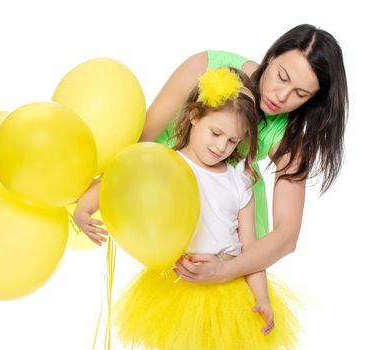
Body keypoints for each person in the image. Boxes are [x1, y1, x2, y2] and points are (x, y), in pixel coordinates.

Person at [75, 24, 348, 285]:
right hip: (161, 194)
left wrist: (225, 270)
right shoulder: (206, 68)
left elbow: (287, 235)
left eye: (300, 93)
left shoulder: (288, 137)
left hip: (219, 214)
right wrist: (91, 199)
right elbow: (137, 145)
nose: (282, 96)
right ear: (272, 56)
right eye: (282, 77)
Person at [112, 67, 300, 349]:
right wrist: (86, 208)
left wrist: (261, 298)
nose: (222, 146)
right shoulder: (167, 164)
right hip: (179, 287)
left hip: (230, 291)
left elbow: (251, 249)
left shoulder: (239, 180)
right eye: (216, 133)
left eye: (233, 141)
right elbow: (121, 182)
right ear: (194, 115)